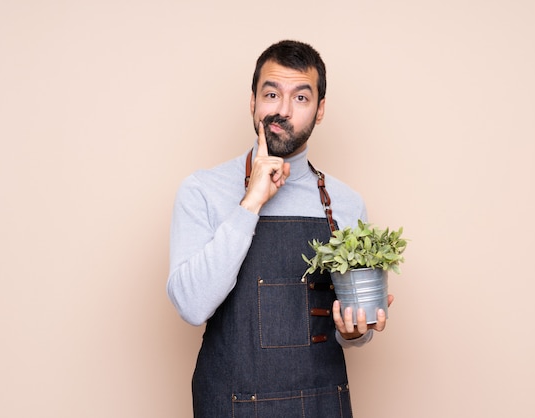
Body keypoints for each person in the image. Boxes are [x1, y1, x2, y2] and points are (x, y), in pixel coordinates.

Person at [167, 40, 393, 417]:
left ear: (320, 110)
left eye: (301, 98)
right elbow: (191, 307)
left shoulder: (346, 202)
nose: (282, 111)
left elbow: (353, 324)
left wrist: (356, 333)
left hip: (322, 402)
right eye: (271, 93)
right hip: (232, 404)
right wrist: (251, 202)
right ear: (253, 101)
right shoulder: (202, 190)